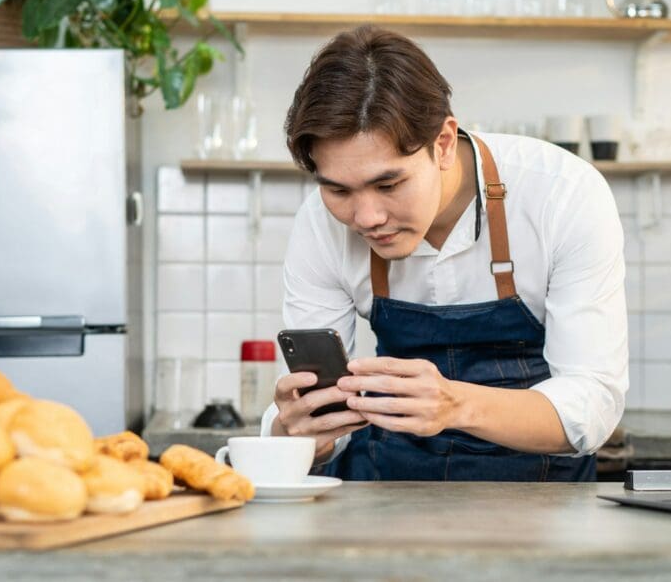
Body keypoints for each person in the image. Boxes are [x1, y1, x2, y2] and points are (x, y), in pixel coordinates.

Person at [259, 26, 628, 481]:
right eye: (338, 189)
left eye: (388, 184)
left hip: (541, 503)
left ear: (444, 143)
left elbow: (593, 404)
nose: (367, 217)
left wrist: (455, 404)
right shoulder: (318, 224)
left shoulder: (562, 193)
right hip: (383, 501)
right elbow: (306, 414)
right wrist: (296, 436)